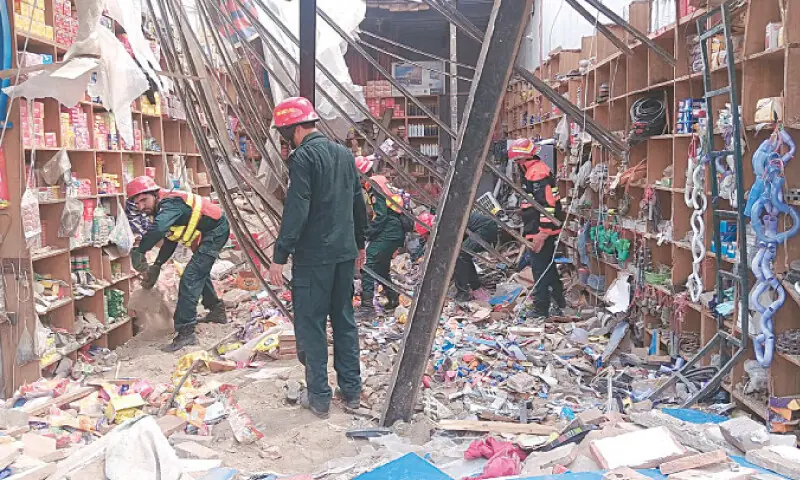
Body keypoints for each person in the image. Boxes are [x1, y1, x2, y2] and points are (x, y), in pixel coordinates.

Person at [268, 96, 369, 419]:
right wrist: (360, 243)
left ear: (294, 130)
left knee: (311, 326)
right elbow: (358, 203)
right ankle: (351, 391)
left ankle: (320, 398)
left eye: (285, 134)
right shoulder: (344, 155)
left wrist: (280, 254)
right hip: (343, 254)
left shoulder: (303, 159)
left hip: (314, 258)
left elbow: (297, 209)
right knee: (343, 320)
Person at [127, 176, 230, 352]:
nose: (141, 206)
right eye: (137, 203)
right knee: (197, 272)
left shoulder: (169, 204)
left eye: (144, 200)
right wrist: (157, 266)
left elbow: (158, 230)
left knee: (190, 278)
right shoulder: (163, 210)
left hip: (215, 231)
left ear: (154, 194)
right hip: (207, 232)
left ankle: (186, 333)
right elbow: (171, 239)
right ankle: (216, 310)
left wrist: (140, 250)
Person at [508, 138, 566, 320]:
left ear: (522, 159)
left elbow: (547, 206)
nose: (516, 165)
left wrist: (542, 233)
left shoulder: (537, 173)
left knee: (539, 268)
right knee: (547, 266)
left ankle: (541, 308)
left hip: (541, 229)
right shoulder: (534, 171)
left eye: (517, 161)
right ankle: (559, 301)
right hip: (540, 227)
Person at [356, 158, 408, 320]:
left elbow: (381, 215)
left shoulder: (373, 185)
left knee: (367, 264)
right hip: (395, 228)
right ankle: (393, 300)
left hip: (390, 228)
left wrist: (367, 234)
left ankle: (367, 308)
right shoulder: (381, 181)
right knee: (381, 267)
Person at [416, 211, 498, 303]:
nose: (427, 238)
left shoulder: (444, 226)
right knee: (461, 256)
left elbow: (448, 252)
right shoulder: (441, 223)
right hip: (477, 229)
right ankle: (474, 286)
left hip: (485, 228)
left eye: (426, 236)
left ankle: (465, 291)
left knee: (461, 255)